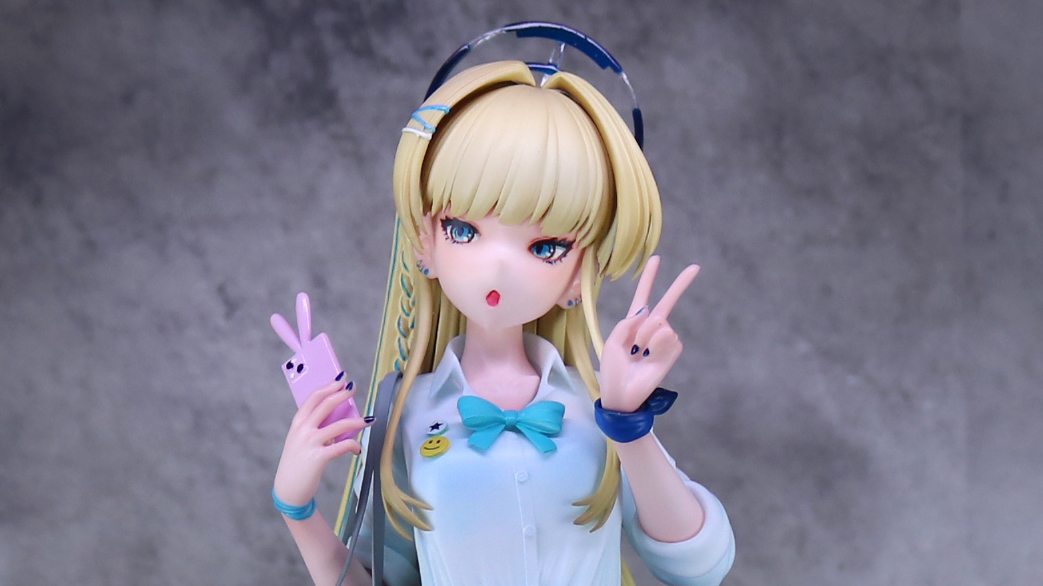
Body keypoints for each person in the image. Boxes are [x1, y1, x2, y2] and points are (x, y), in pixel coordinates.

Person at [272, 60, 735, 586]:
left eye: (546, 246)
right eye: (464, 230)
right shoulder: (405, 413)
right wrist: (297, 510)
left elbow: (699, 566)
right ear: (425, 241)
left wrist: (628, 425)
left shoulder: (595, 404)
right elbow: (378, 577)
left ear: (579, 274)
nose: (499, 267)